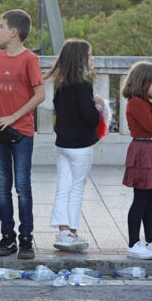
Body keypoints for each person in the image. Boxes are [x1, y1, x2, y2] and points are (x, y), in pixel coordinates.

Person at [0, 10, 45, 259]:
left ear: (13, 32)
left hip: (21, 133)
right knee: (2, 186)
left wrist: (13, 117)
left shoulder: (29, 59)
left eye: (0, 27)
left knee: (22, 186)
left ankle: (26, 238)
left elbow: (40, 94)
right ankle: (7, 236)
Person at [46, 39, 103, 252]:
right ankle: (71, 231)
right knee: (77, 189)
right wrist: (98, 107)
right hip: (80, 146)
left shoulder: (61, 87)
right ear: (81, 60)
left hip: (63, 145)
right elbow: (90, 118)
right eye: (89, 55)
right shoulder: (83, 87)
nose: (92, 59)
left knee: (63, 187)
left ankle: (62, 231)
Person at [121, 61, 152, 260]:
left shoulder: (147, 103)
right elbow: (151, 126)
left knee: (151, 200)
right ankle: (134, 243)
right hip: (143, 150)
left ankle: (151, 241)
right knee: (140, 200)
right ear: (141, 82)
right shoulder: (136, 102)